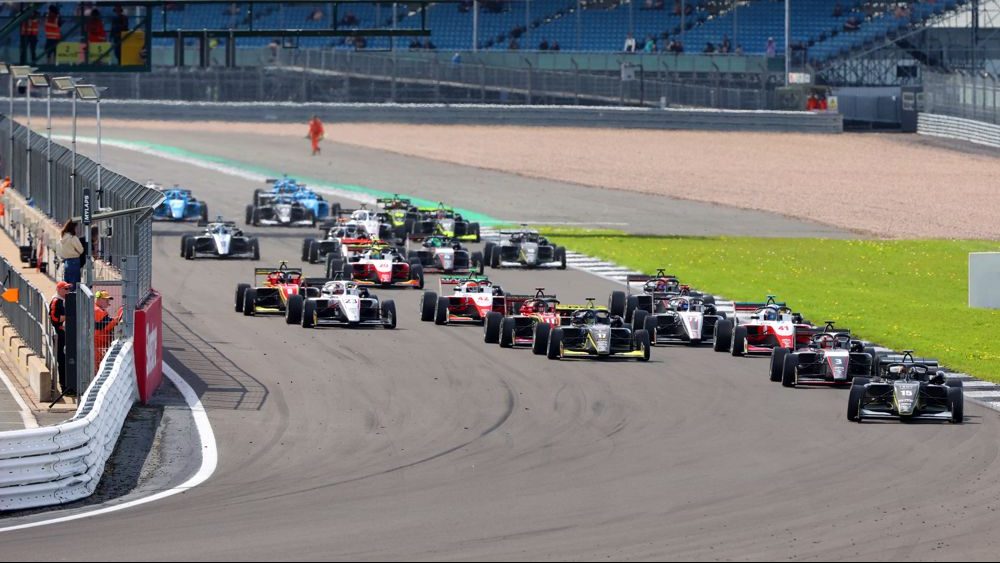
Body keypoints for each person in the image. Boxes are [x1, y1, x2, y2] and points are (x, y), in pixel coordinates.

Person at [50, 281, 71, 396]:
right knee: (62, 361)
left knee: (67, 360)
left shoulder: (64, 300)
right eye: (65, 289)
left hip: (64, 334)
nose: (68, 291)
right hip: (59, 335)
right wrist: (69, 316)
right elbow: (54, 318)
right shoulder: (56, 301)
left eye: (68, 288)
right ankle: (64, 387)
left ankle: (68, 386)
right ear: (59, 289)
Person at [93, 290, 122, 373]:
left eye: (108, 300)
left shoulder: (97, 309)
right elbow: (107, 326)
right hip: (98, 344)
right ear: (99, 299)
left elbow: (106, 322)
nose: (108, 302)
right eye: (106, 300)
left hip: (98, 343)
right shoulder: (98, 310)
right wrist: (118, 319)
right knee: (98, 368)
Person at [59, 220, 84, 285]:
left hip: (66, 261)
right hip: (74, 262)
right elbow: (81, 250)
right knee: (75, 284)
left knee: (67, 284)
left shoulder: (63, 237)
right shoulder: (73, 238)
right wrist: (76, 251)